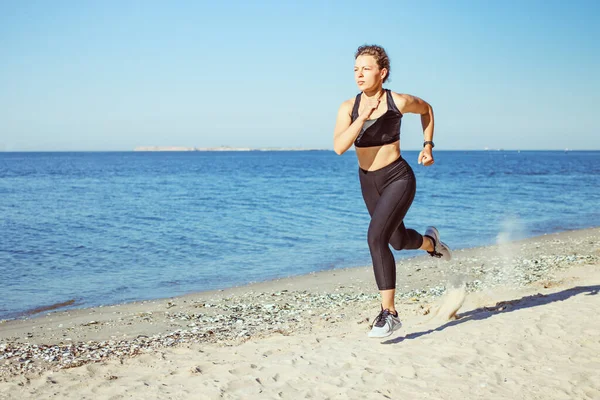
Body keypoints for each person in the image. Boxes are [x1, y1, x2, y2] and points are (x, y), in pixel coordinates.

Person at [333, 44, 452, 338]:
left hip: (398, 178)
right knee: (396, 240)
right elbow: (338, 147)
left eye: (367, 68)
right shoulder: (348, 107)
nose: (359, 74)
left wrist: (428, 145)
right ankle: (431, 243)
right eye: (356, 69)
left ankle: (390, 314)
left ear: (382, 72)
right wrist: (362, 117)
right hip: (368, 182)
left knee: (376, 238)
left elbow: (427, 110)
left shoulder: (398, 101)